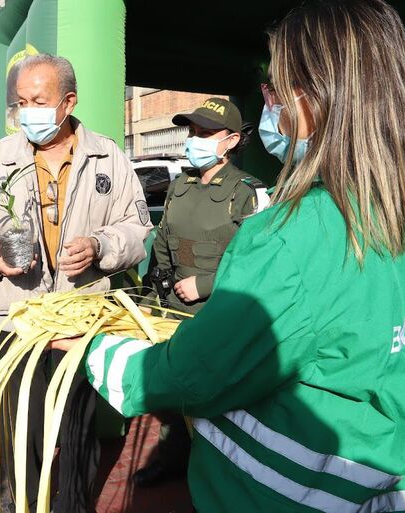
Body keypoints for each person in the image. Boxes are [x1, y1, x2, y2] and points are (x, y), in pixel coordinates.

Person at [72, 1, 405, 511]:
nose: (269, 105)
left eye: (275, 89)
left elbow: (197, 372)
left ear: (317, 100)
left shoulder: (288, 236)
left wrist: (93, 350)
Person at [0, 54, 152, 513]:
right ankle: (19, 502)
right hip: (19, 323)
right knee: (23, 429)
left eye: (38, 101)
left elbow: (137, 228)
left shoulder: (108, 158)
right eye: (21, 102)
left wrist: (101, 246)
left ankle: (73, 506)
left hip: (80, 324)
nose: (28, 113)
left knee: (78, 430)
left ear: (68, 102)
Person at [133, 98, 269, 488]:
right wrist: (151, 291)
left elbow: (259, 263)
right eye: (192, 133)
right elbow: (163, 242)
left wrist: (206, 285)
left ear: (229, 141)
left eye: (205, 134)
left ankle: (219, 475)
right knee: (174, 393)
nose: (194, 141)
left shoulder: (249, 194)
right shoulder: (180, 185)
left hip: (217, 313)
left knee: (216, 399)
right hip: (171, 311)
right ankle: (173, 456)